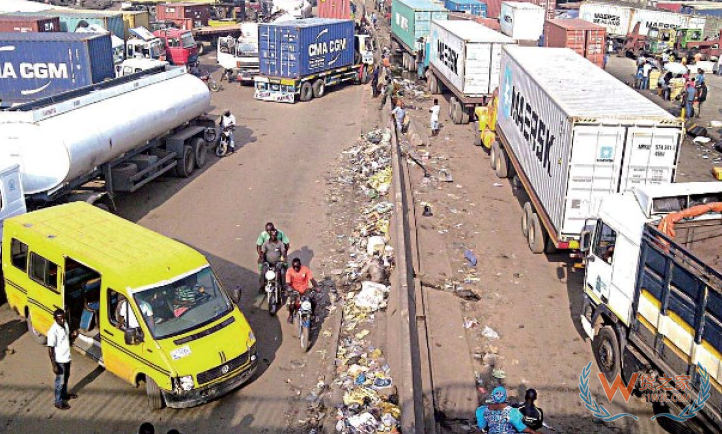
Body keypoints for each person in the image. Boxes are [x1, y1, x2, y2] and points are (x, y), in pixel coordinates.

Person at [48, 309, 78, 410]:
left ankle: (64, 394)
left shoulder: (65, 324)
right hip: (59, 360)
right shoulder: (53, 331)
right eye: (60, 318)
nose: (62, 320)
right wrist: (54, 365)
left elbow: (66, 338)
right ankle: (58, 401)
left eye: (63, 317)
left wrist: (73, 336)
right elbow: (50, 349)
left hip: (67, 358)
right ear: (55, 318)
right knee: (59, 382)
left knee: (66, 377)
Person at [256, 222, 290, 289]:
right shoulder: (263, 235)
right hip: (266, 257)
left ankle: (284, 286)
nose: (269, 232)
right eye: (267, 230)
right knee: (262, 269)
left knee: (284, 269)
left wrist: (284, 255)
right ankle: (262, 286)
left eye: (270, 230)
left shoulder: (280, 234)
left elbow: (286, 244)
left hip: (278, 257)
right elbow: (259, 246)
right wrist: (261, 256)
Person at [285, 258, 319, 323]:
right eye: (294, 267)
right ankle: (290, 315)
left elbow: (312, 279)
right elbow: (288, 283)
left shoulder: (305, 269)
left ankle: (312, 314)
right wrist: (288, 288)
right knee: (292, 303)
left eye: (297, 267)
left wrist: (316, 287)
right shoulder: (289, 271)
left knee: (313, 301)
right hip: (294, 290)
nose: (296, 268)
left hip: (305, 289)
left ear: (300, 265)